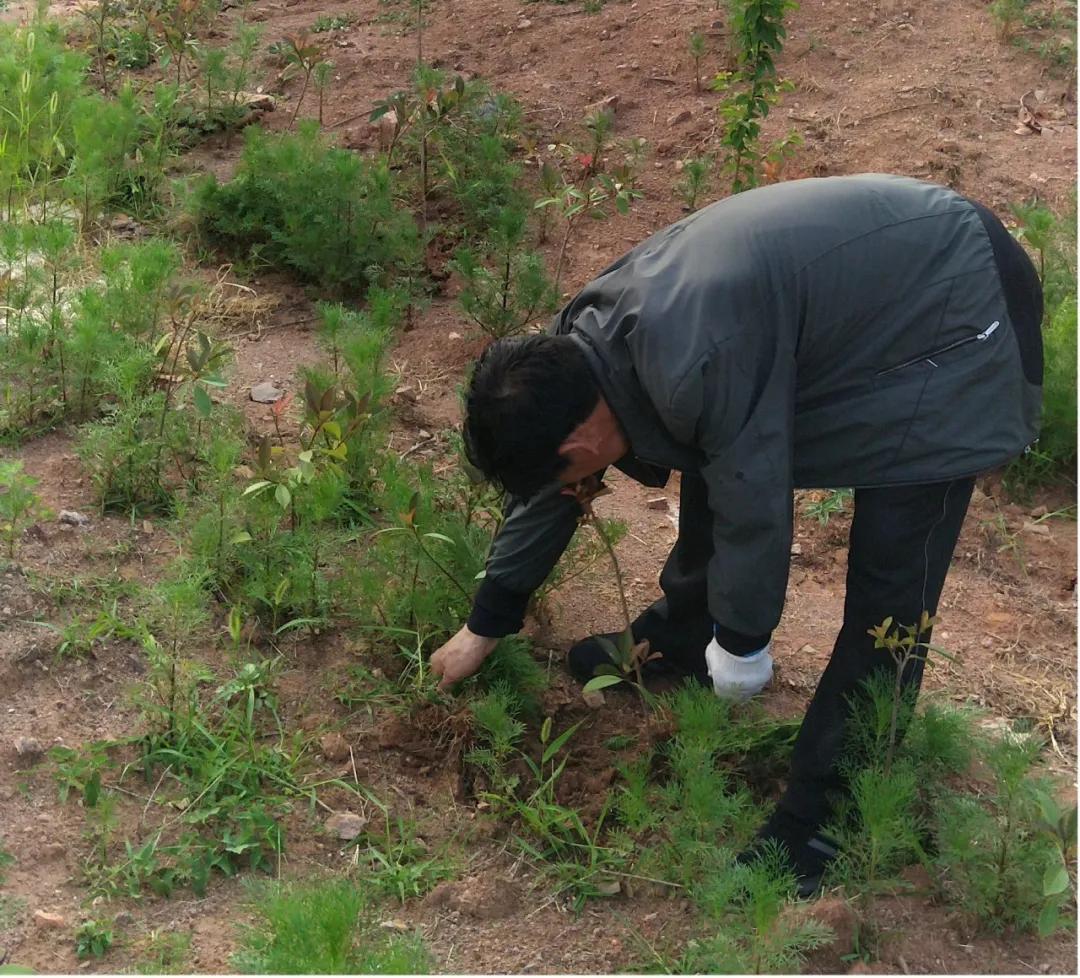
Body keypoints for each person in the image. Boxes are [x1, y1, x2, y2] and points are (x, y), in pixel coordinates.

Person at [429, 173, 1044, 894]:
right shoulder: (577, 353)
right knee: (714, 437)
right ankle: (683, 637)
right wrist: (488, 619)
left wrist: (746, 644)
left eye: (570, 475)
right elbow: (559, 484)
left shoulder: (695, 357)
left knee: (891, 594)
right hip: (869, 293)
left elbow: (755, 496)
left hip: (958, 307)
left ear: (582, 434)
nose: (575, 492)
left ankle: (829, 814)